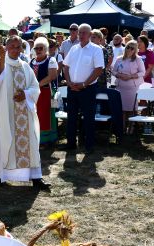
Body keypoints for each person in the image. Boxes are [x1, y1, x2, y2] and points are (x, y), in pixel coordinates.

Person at [0, 35, 51, 190]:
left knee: (31, 143)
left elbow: (35, 87)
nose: (15, 50)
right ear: (6, 47)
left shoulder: (25, 66)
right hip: (6, 112)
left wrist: (26, 94)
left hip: (24, 114)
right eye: (12, 47)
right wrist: (1, 58)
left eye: (18, 47)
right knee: (4, 140)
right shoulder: (1, 64)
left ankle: (36, 178)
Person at [63, 23, 104, 153]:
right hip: (72, 88)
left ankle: (88, 146)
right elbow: (66, 66)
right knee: (71, 117)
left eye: (84, 33)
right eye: (80, 32)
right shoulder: (74, 49)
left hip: (87, 89)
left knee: (88, 118)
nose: (81, 35)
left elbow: (98, 69)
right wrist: (69, 82)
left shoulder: (96, 49)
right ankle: (70, 144)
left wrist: (84, 84)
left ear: (90, 34)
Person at [112, 40, 145, 133]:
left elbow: (142, 72)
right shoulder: (119, 59)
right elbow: (114, 71)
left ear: (135, 50)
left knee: (131, 109)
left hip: (132, 87)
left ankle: (131, 128)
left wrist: (130, 76)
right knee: (121, 109)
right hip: (120, 87)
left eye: (132, 48)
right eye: (128, 47)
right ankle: (121, 128)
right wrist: (119, 75)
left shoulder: (138, 59)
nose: (129, 49)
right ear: (125, 47)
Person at [30, 37, 58, 146]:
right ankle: (35, 137)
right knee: (35, 114)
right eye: (36, 48)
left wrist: (36, 85)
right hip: (34, 93)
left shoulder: (51, 60)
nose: (38, 50)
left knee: (47, 114)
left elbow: (52, 76)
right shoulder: (31, 61)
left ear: (45, 48)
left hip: (48, 92)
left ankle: (47, 139)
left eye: (40, 48)